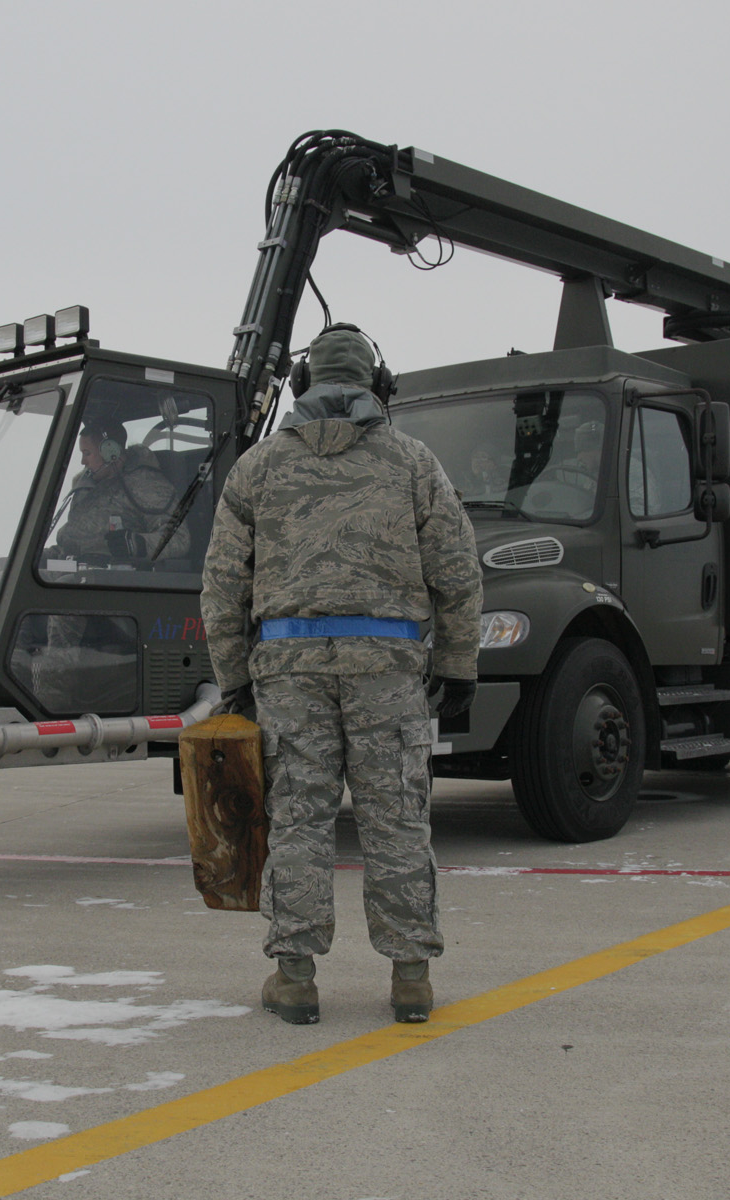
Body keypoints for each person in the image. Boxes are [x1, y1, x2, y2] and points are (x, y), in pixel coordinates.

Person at [201, 326, 482, 1025]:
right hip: (386, 669)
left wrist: (235, 676)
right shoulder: (414, 464)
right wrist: (458, 662)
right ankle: (410, 978)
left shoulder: (258, 470)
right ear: (377, 387)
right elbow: (457, 571)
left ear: (301, 386)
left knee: (298, 819)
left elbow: (220, 585)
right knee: (396, 819)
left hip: (289, 671)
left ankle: (295, 979)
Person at [48, 421, 190, 563]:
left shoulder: (145, 484)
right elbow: (73, 544)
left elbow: (179, 539)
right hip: (73, 569)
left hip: (112, 577)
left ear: (110, 451)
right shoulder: (85, 487)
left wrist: (136, 544)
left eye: (87, 453)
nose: (83, 461)